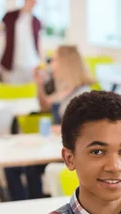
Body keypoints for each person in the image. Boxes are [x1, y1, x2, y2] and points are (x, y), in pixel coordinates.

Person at [5, 45, 93, 201]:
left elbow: (87, 128)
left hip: (70, 150)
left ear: (65, 63)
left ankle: (34, 203)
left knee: (30, 167)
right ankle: (24, 202)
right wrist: (39, 84)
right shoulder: (64, 88)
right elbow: (45, 105)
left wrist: (61, 129)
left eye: (54, 60)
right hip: (55, 144)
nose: (51, 64)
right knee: (11, 167)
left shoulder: (83, 92)